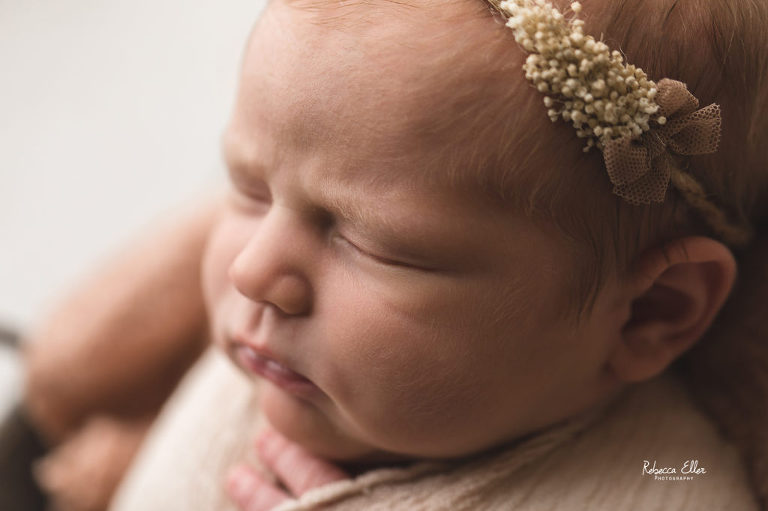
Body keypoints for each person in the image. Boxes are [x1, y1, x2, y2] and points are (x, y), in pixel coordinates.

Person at [22, 0, 768, 509]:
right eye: (248, 188)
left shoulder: (668, 482)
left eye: (375, 245)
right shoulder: (294, 356)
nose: (252, 270)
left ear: (649, 313)